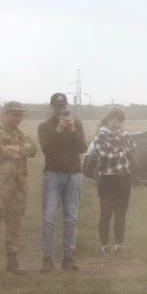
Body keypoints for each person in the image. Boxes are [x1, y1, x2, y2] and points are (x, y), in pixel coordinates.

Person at [0, 101, 37, 275]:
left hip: (17, 187)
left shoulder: (23, 134)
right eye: (14, 114)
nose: (18, 118)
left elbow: (32, 150)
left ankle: (12, 262)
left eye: (20, 115)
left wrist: (14, 148)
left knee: (14, 225)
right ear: (5, 114)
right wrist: (16, 152)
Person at [37, 92, 87, 272]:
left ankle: (68, 256)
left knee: (71, 218)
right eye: (57, 107)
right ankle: (47, 257)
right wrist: (58, 130)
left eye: (63, 107)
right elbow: (46, 150)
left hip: (74, 175)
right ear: (52, 107)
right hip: (52, 174)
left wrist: (72, 130)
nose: (61, 111)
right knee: (50, 217)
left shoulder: (77, 124)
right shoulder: (44, 126)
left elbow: (82, 148)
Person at [93, 108, 137, 258]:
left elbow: (133, 147)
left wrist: (124, 133)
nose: (117, 123)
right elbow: (103, 155)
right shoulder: (100, 134)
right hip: (107, 178)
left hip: (123, 177)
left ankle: (119, 246)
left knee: (120, 214)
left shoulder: (121, 133)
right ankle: (104, 247)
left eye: (120, 120)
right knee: (106, 213)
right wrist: (122, 153)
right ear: (108, 118)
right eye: (115, 119)